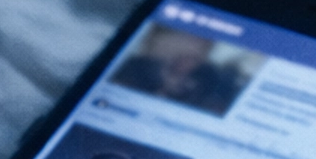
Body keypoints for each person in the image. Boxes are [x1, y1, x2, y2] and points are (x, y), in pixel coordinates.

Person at [109, 27, 255, 116]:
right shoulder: (135, 66)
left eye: (195, 58)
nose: (187, 62)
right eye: (184, 56)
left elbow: (216, 107)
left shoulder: (209, 80)